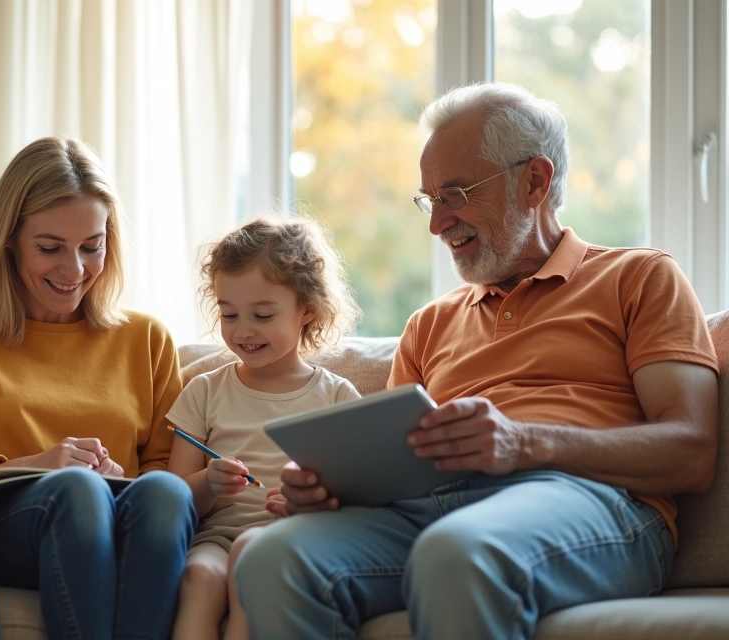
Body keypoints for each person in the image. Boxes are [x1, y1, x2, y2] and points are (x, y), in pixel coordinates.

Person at [234, 82, 719, 639]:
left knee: (459, 551)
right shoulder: (429, 324)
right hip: (433, 509)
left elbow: (691, 450)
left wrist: (524, 442)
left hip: (594, 502)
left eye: (456, 194)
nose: (437, 224)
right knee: (273, 560)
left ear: (534, 181)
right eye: (429, 199)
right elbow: (395, 471)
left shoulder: (639, 277)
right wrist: (330, 491)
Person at [0, 135, 196, 640]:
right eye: (50, 248)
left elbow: (164, 473)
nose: (74, 271)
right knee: (76, 488)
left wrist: (122, 480)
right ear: (8, 238)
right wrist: (30, 467)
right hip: (0, 528)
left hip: (115, 529)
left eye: (92, 247)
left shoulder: (146, 338)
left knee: (164, 493)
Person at [167, 216, 362, 640]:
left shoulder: (335, 396)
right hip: (215, 540)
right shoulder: (203, 391)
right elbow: (173, 499)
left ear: (306, 309)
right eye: (229, 313)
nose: (243, 330)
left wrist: (308, 506)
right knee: (199, 577)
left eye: (261, 314)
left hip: (290, 540)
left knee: (250, 555)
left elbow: (358, 498)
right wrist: (208, 481)